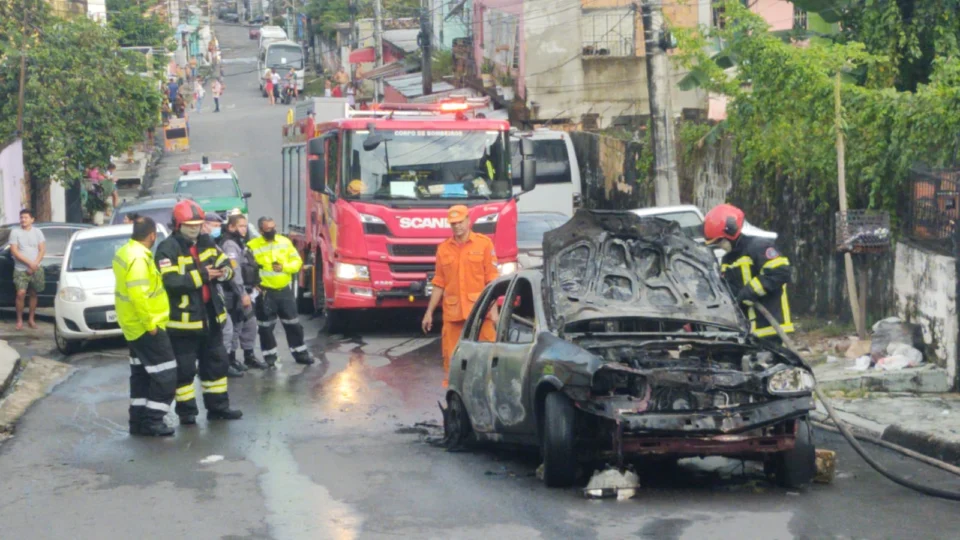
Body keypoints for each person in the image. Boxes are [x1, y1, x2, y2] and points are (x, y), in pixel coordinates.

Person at [156, 200, 242, 424]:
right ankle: (187, 414)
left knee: (216, 364)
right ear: (177, 225)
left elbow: (227, 268)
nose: (195, 228)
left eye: (198, 224)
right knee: (184, 371)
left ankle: (218, 408)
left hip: (210, 318)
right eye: (189, 224)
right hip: (183, 324)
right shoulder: (167, 248)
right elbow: (171, 282)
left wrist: (222, 273)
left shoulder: (208, 243)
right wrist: (203, 275)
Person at [421, 205, 499, 387]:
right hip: (453, 314)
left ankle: (488, 394)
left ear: (468, 221)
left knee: (488, 358)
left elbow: (492, 281)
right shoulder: (443, 249)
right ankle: (455, 398)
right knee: (452, 358)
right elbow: (439, 283)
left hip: (481, 313)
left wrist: (494, 311)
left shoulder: (484, 244)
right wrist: (429, 312)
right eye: (453, 223)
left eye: (460, 222)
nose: (457, 226)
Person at [114, 216, 177, 437]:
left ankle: (138, 420)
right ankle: (153, 420)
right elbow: (138, 295)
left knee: (141, 375)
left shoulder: (125, 252)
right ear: (151, 235)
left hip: (132, 325)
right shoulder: (139, 259)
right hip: (146, 326)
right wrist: (150, 324)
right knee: (167, 375)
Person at [703, 203, 794, 342]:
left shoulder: (758, 247)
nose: (720, 246)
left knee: (769, 362)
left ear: (730, 233)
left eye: (720, 241)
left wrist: (750, 292)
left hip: (769, 327)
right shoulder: (728, 259)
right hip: (746, 331)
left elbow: (781, 272)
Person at [247, 216, 314, 367]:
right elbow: (247, 268)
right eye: (268, 228)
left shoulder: (284, 242)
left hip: (284, 291)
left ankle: (300, 353)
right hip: (265, 293)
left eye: (273, 227)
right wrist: (252, 284)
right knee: (265, 327)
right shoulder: (252, 246)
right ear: (260, 230)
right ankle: (270, 357)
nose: (272, 230)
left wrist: (284, 267)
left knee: (293, 324)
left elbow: (297, 262)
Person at [219, 213, 267, 372]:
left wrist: (254, 285)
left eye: (245, 226)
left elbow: (248, 265)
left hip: (246, 290)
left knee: (250, 324)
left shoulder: (240, 242)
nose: (244, 229)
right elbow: (235, 271)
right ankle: (231, 359)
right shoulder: (230, 244)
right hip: (234, 293)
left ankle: (249, 355)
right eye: (240, 226)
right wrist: (242, 293)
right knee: (236, 324)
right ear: (231, 227)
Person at [10, 209, 46, 331]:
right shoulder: (15, 232)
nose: (23, 220)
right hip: (21, 269)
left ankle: (31, 319)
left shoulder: (38, 232)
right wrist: (30, 263)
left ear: (32, 219)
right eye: (21, 217)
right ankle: (19, 320)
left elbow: (42, 250)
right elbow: (14, 251)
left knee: (34, 293)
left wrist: (35, 264)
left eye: (25, 217)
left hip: (36, 268)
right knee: (20, 293)